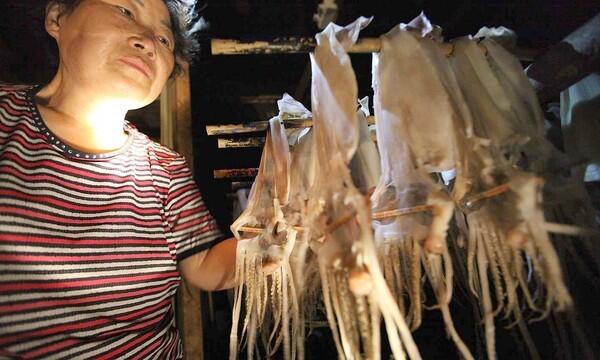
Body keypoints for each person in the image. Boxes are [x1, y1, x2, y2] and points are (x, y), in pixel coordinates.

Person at [0, 0, 237, 358]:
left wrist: (294, 235)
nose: (147, 41)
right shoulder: (6, 121)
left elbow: (205, 266)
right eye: (126, 11)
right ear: (57, 17)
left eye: (165, 40)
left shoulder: (164, 170)